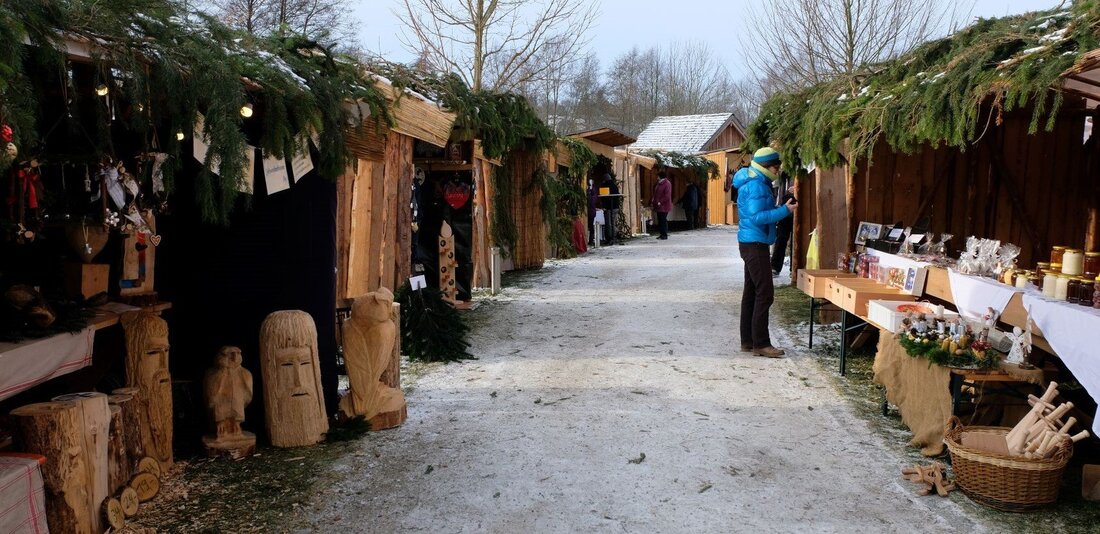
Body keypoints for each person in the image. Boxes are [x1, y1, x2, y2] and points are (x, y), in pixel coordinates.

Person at [733, 147, 796, 358]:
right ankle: (761, 343)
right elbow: (758, 217)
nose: (778, 170)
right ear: (765, 166)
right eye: (775, 166)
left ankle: (748, 341)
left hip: (752, 242)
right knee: (765, 293)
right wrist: (785, 211)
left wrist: (785, 201)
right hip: (755, 244)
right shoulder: (757, 185)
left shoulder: (757, 182)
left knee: (751, 292)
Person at [771, 173, 796, 275]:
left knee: (795, 240)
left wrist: (797, 188)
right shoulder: (780, 175)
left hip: (796, 210)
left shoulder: (798, 170)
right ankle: (775, 267)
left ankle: (794, 268)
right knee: (780, 239)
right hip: (782, 211)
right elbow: (775, 188)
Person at [600, 173, 620, 245]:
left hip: (609, 207)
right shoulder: (614, 185)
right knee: (613, 223)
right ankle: (614, 237)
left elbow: (604, 197)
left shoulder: (605, 186)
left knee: (609, 223)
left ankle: (610, 238)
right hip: (616, 207)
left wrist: (604, 205)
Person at [652, 171, 672, 239]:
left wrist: (660, 202)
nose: (657, 178)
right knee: (660, 220)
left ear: (660, 176)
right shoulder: (659, 183)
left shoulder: (667, 184)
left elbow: (667, 195)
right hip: (658, 205)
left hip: (664, 205)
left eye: (658, 176)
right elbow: (656, 193)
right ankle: (661, 234)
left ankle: (664, 234)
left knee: (663, 220)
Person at [586, 179, 598, 246]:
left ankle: (590, 240)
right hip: (592, 211)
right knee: (590, 226)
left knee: (590, 226)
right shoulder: (593, 191)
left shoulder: (592, 191)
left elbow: (592, 201)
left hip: (590, 211)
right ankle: (590, 240)